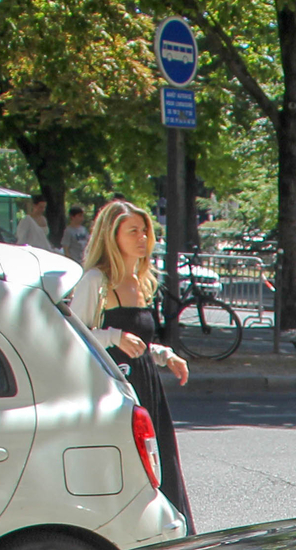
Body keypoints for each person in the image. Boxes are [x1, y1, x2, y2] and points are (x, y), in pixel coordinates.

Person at [68, 200, 194, 530]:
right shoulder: (96, 281)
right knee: (130, 469)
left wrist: (164, 355)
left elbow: (135, 343)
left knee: (160, 462)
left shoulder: (140, 281)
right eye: (133, 231)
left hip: (145, 382)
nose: (143, 238)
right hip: (113, 387)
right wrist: (111, 336)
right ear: (113, 236)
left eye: (145, 231)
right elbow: (74, 336)